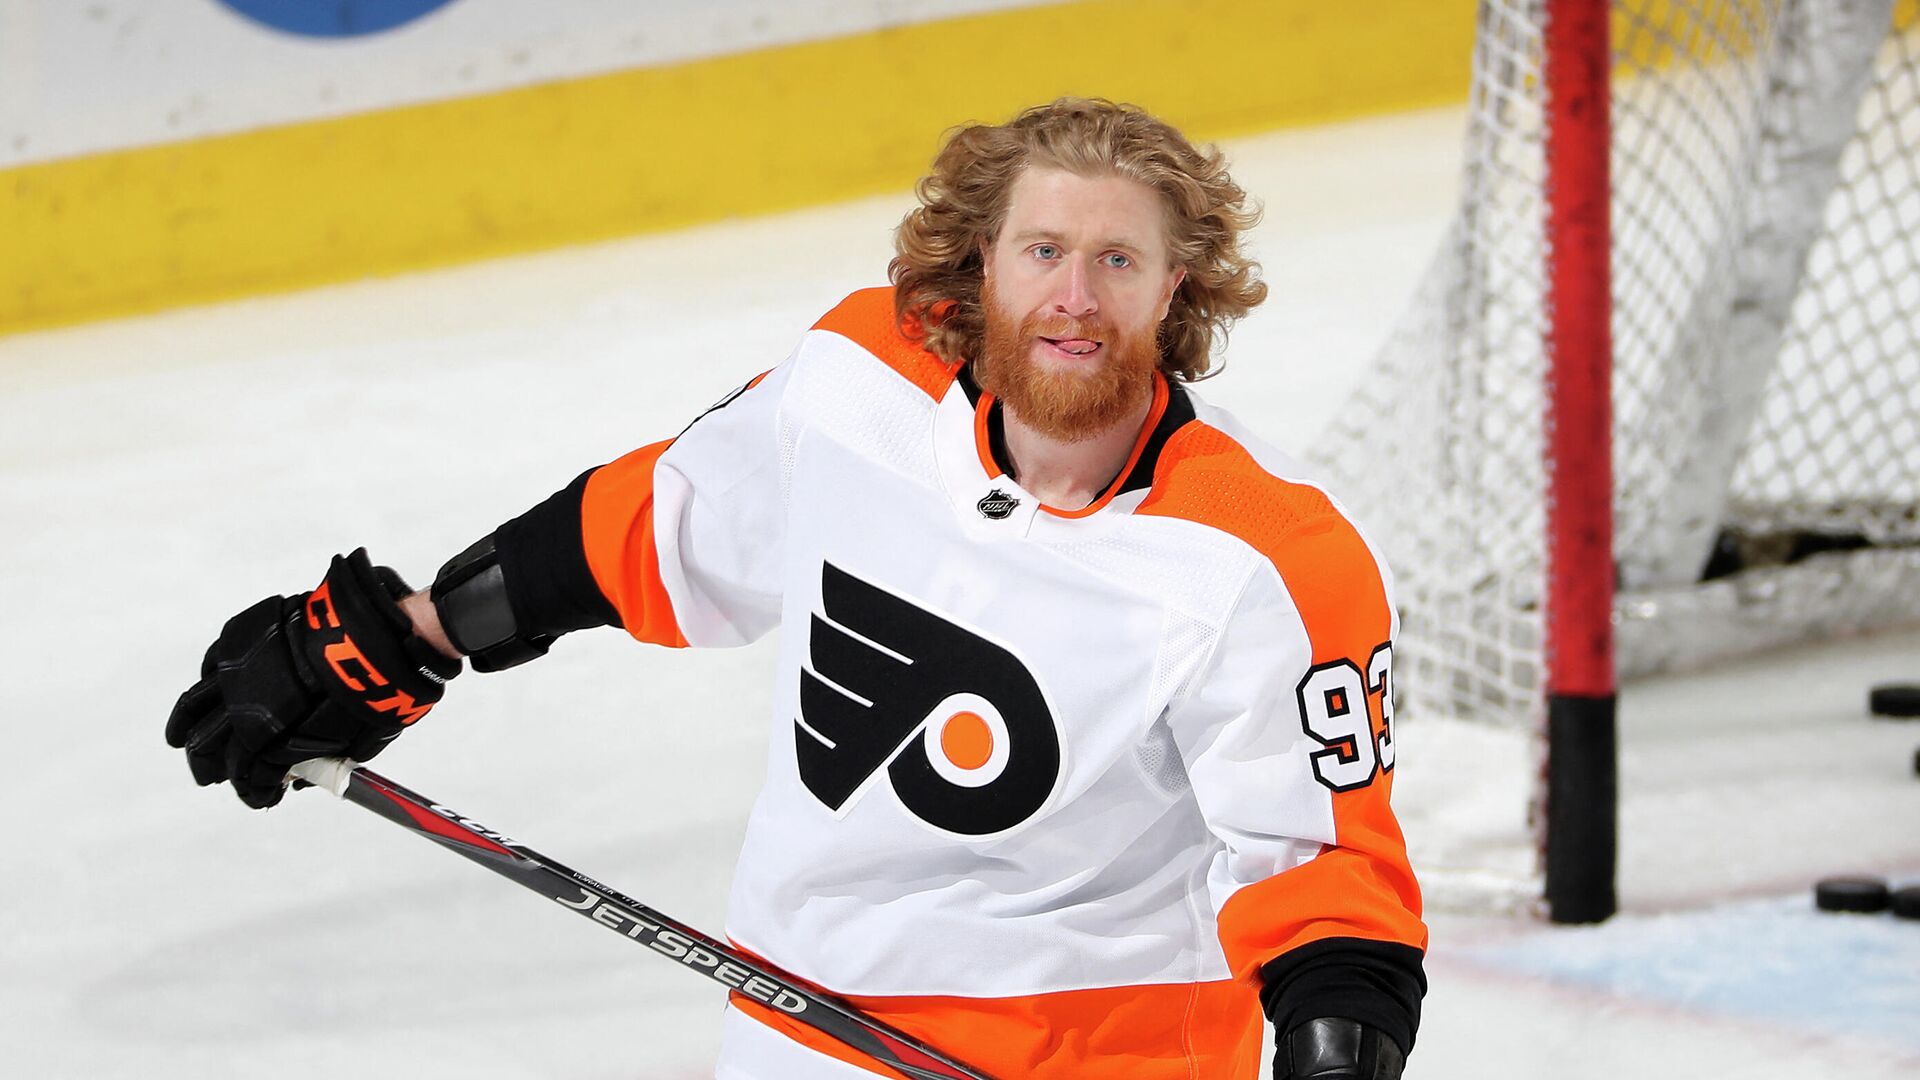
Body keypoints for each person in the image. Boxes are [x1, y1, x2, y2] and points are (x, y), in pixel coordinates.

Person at [167, 98, 1426, 1080]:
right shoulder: (863, 379)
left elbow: (1328, 883)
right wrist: (412, 634)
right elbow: (657, 524)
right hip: (795, 1019)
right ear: (980, 262)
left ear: (1180, 288)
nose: (1075, 300)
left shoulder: (1265, 557)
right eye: (1043, 250)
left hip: (1087, 1055)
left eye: (1118, 262)